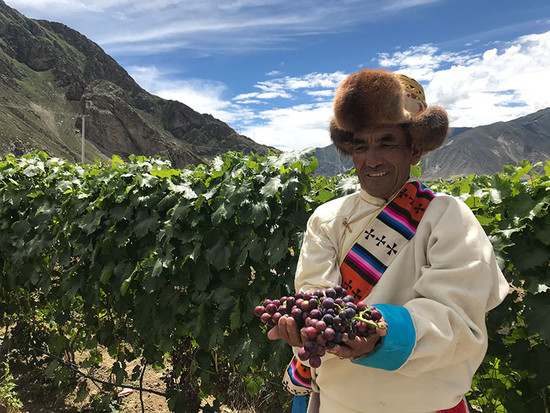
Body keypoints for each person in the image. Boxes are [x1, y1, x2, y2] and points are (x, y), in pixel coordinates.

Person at [267, 69, 509, 413]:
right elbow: (315, 296)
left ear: (415, 150)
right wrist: (308, 328)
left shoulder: (448, 217)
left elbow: (459, 320)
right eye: (361, 145)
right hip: (339, 404)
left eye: (387, 142)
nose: (372, 158)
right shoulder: (326, 219)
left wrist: (383, 335)